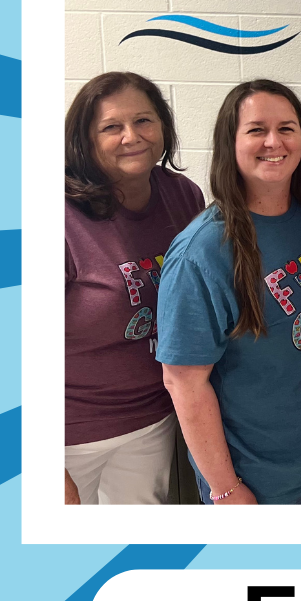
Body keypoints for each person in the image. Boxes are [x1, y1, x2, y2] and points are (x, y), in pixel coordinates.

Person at [157, 80, 301, 505]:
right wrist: (226, 490)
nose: (273, 141)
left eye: (287, 128)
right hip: (264, 486)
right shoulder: (202, 252)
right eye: (256, 129)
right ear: (231, 142)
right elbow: (184, 382)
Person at [65, 71, 204, 504]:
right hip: (67, 432)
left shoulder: (183, 197)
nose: (132, 137)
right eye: (111, 127)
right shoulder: (59, 216)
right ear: (85, 141)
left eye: (144, 121)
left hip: (151, 420)